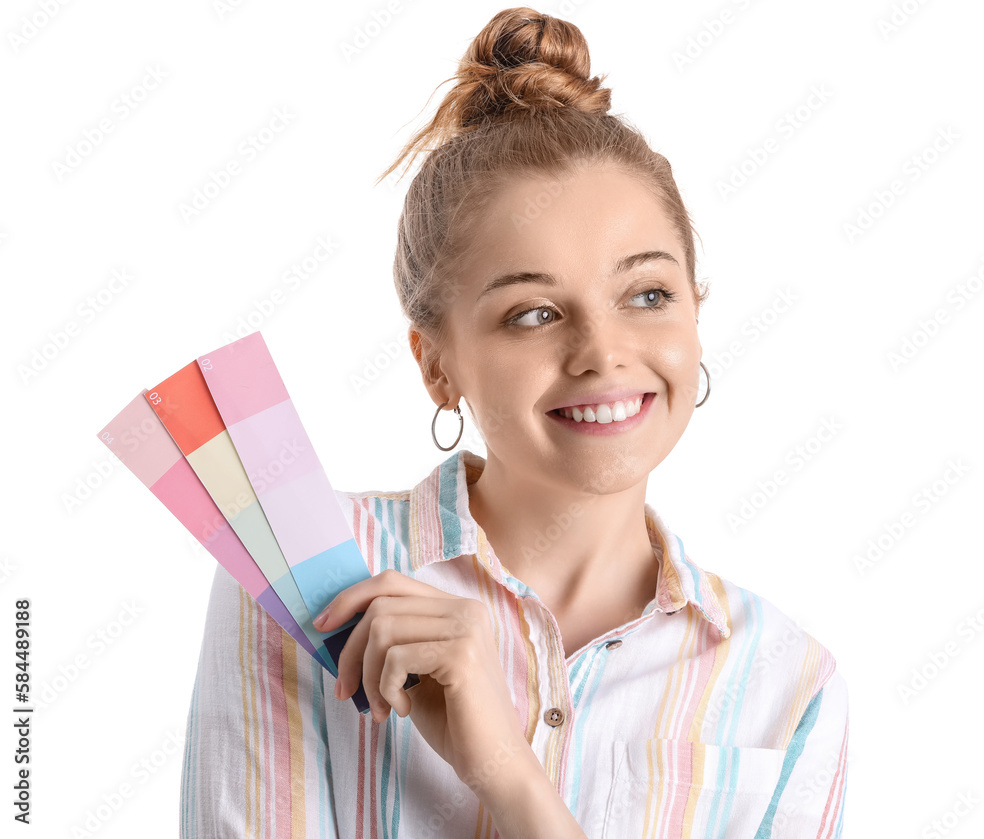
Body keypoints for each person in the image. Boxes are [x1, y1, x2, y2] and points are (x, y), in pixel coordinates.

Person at [179, 7, 848, 837]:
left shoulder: (789, 683)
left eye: (647, 294)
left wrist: (506, 775)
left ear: (695, 317)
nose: (603, 353)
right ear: (436, 365)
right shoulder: (300, 564)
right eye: (533, 313)